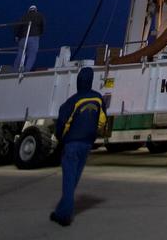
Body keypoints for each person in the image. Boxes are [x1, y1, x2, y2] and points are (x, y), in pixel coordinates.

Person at [50, 67, 107, 227]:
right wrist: (94, 134)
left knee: (69, 180)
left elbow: (63, 123)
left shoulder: (73, 101)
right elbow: (102, 120)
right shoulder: (97, 98)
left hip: (72, 144)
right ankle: (62, 210)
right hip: (87, 144)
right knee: (73, 179)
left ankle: (64, 215)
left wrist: (61, 138)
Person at [13, 4, 45, 72]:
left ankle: (15, 69)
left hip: (22, 39)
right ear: (35, 10)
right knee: (32, 54)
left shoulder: (24, 16)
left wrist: (17, 36)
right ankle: (26, 69)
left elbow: (18, 26)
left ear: (29, 10)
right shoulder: (39, 15)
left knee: (20, 54)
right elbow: (42, 25)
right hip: (34, 37)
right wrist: (40, 33)